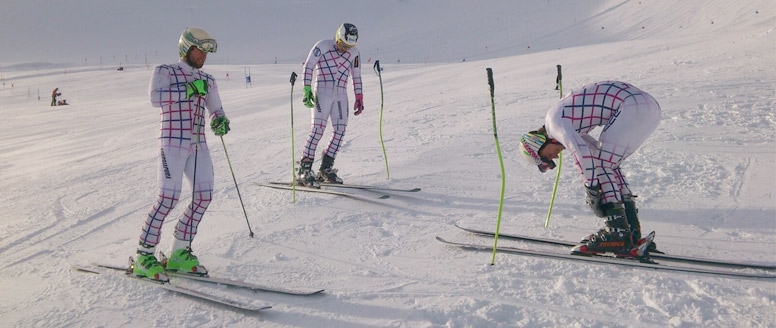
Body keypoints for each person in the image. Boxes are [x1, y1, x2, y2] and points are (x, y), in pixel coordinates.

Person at [519, 81, 661, 257]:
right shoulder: (564, 121)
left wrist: (592, 191)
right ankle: (630, 227)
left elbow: (582, 155)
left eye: (546, 158)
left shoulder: (554, 124)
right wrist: (596, 188)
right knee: (608, 162)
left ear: (538, 143)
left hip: (632, 106)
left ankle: (617, 233)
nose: (554, 158)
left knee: (604, 163)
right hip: (648, 106)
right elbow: (593, 152)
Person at [133, 27, 230, 282]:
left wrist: (220, 120)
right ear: (187, 48)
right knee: (167, 198)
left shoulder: (208, 80)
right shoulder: (165, 71)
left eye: (208, 51)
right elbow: (155, 98)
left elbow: (216, 109)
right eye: (201, 50)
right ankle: (144, 255)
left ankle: (179, 252)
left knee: (204, 195)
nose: (204, 56)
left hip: (198, 145)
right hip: (172, 143)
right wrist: (187, 91)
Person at [296, 23, 364, 188]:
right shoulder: (323, 46)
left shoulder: (354, 53)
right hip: (322, 92)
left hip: (340, 94)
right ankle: (304, 170)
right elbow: (309, 65)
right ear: (337, 38)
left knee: (340, 131)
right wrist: (306, 88)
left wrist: (359, 96)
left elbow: (356, 76)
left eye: (349, 46)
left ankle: (325, 168)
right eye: (342, 45)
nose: (344, 49)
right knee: (317, 130)